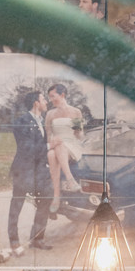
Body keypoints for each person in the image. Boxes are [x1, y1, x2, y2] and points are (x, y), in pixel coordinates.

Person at [7, 89, 53, 255]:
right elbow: (27, 148)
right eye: (43, 99)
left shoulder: (43, 121)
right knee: (16, 205)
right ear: (36, 103)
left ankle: (37, 239)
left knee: (46, 199)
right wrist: (49, 147)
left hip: (40, 172)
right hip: (23, 171)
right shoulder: (21, 122)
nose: (46, 102)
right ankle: (14, 242)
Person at [44, 83, 85, 214]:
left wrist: (79, 129)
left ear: (62, 95)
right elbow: (48, 135)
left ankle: (62, 189)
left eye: (53, 96)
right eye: (49, 97)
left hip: (72, 145)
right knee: (51, 154)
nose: (51, 100)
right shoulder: (50, 114)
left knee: (57, 149)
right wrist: (52, 141)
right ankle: (60, 192)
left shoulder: (75, 112)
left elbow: (79, 135)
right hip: (57, 145)